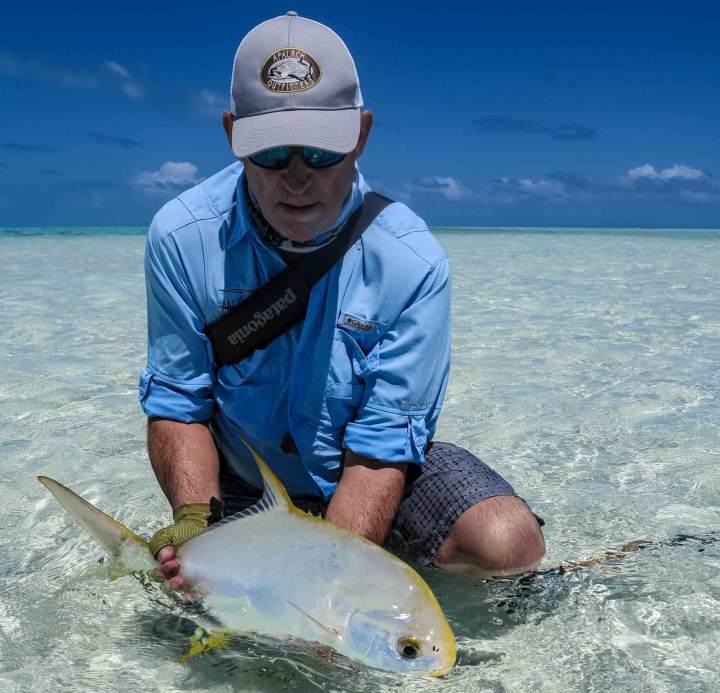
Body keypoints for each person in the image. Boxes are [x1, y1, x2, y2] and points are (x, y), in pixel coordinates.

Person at [140, 11, 545, 599]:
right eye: (271, 153)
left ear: (360, 133)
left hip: (368, 470)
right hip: (244, 481)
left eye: (320, 151)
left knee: (507, 542)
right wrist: (197, 525)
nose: (296, 178)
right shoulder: (181, 237)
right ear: (233, 135)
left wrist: (326, 588)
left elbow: (380, 452)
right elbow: (180, 405)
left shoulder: (412, 263)